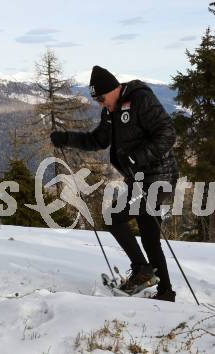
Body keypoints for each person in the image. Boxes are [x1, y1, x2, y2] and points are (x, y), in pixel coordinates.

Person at [50, 65, 179, 302]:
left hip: (160, 176)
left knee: (113, 216)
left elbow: (168, 133)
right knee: (149, 234)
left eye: (101, 98)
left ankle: (142, 270)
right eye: (96, 100)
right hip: (138, 178)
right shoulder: (110, 111)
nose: (100, 103)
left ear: (113, 89)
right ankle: (165, 292)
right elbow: (98, 140)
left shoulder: (141, 99)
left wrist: (137, 156)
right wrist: (66, 138)